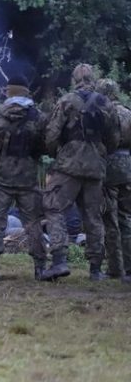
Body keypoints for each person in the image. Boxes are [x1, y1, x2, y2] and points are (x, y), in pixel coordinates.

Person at [40, 64, 119, 281]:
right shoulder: (106, 103)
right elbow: (114, 138)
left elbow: (52, 134)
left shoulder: (66, 101)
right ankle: (95, 269)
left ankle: (59, 260)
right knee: (93, 216)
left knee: (53, 206)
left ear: (74, 79)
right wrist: (101, 153)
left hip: (69, 165)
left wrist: (57, 152)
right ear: (93, 78)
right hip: (95, 166)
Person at [0, 76, 48, 281]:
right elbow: (46, 146)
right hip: (28, 178)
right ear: (26, 92)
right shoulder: (38, 117)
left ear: (8, 92)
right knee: (33, 222)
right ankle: (40, 268)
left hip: (1, 177)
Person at [96, 79, 131, 282]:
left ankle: (115, 268)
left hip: (108, 167)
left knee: (109, 218)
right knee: (126, 217)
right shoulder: (128, 112)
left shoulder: (103, 113)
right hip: (127, 167)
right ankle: (129, 267)